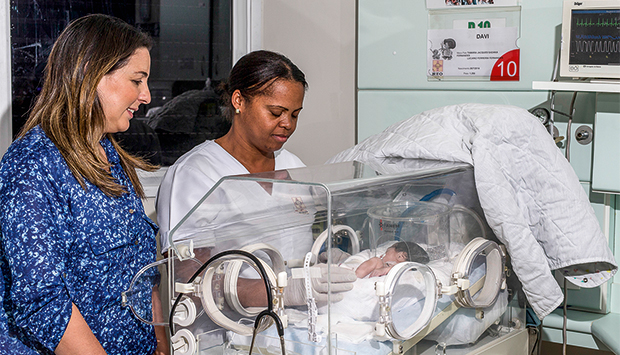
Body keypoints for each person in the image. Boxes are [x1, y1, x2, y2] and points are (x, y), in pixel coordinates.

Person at [0, 14, 167, 354]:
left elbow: (141, 270)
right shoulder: (32, 166)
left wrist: (161, 343)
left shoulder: (109, 154)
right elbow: (43, 303)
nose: (147, 95)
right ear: (93, 76)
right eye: (137, 80)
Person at [156, 50, 356, 308]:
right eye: (275, 112)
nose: (288, 124)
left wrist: (322, 263)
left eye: (295, 114)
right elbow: (189, 277)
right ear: (238, 101)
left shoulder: (293, 166)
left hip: (299, 321)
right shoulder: (196, 174)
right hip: (233, 330)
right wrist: (282, 292)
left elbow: (297, 244)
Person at [346, 241, 430, 278]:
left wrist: (388, 269)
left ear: (401, 256)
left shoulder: (377, 261)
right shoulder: (381, 264)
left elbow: (355, 277)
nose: (382, 255)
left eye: (387, 251)